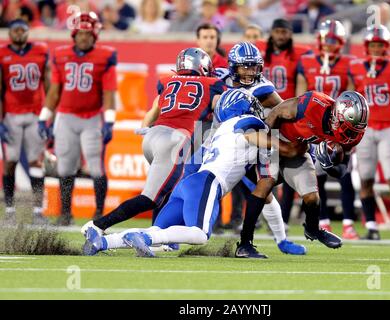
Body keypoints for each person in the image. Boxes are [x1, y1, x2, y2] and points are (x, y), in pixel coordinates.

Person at [82, 88, 306, 257]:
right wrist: (284, 146)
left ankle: (102, 242)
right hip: (208, 183)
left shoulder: (218, 131)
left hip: (188, 184)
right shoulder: (248, 122)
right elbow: (249, 135)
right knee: (199, 234)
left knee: (161, 233)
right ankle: (143, 236)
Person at [80, 47, 226, 238]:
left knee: (164, 193)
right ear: (203, 66)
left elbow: (152, 112)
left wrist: (146, 130)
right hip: (174, 141)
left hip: (152, 136)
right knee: (150, 198)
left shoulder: (167, 82)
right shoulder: (213, 84)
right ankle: (97, 225)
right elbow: (223, 109)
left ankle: (155, 236)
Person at [187, 42, 305, 258]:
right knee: (189, 181)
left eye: (253, 67)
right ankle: (175, 234)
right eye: (244, 67)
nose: (249, 72)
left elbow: (284, 111)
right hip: (216, 142)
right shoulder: (219, 80)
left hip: (249, 144)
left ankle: (281, 240)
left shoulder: (264, 88)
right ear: (233, 67)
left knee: (264, 188)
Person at [237, 90, 369, 257]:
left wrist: (329, 163)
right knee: (265, 185)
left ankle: (313, 229)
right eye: (348, 128)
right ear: (337, 116)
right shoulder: (312, 105)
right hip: (276, 140)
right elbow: (277, 110)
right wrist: (268, 142)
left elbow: (341, 170)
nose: (351, 135)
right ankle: (244, 243)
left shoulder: (353, 135)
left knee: (312, 197)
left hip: (298, 149)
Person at [38, 12, 117, 226]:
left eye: (88, 34)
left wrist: (109, 120)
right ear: (74, 35)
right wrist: (44, 117)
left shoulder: (105, 56)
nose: (84, 38)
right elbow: (54, 91)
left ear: (95, 36)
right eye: (81, 33)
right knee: (65, 166)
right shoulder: (61, 54)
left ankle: (99, 212)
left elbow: (109, 91)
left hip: (92, 117)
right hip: (65, 116)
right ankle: (65, 213)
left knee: (96, 166)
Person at [348, 24, 390, 241]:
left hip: (388, 129)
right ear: (367, 46)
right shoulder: (356, 67)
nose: (376, 49)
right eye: (372, 45)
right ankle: (372, 227)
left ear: (386, 46)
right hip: (365, 130)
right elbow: (349, 101)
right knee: (366, 179)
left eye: (379, 45)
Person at [296, 19, 358, 240]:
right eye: (325, 40)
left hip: (339, 127)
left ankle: (349, 223)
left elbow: (351, 96)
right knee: (317, 175)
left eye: (333, 40)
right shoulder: (306, 61)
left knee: (344, 172)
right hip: (315, 125)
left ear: (340, 42)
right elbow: (301, 97)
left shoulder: (348, 63)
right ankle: (322, 221)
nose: (328, 44)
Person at [0, 19, 50, 224]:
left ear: (28, 32)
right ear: (9, 33)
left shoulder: (40, 50)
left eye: (22, 29)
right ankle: (10, 211)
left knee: (36, 162)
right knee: (10, 161)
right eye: (15, 30)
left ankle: (38, 211)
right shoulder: (3, 53)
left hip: (34, 113)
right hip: (11, 114)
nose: (19, 33)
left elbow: (48, 84)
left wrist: (48, 114)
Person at [263, 18, 311, 101]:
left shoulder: (301, 53)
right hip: (265, 104)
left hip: (288, 105)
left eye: (284, 32)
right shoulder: (261, 51)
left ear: (290, 34)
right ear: (271, 33)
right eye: (277, 32)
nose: (280, 36)